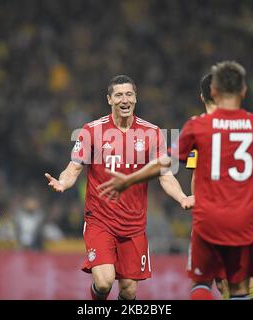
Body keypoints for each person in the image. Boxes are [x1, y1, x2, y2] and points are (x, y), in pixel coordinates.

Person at [98, 61, 253, 299]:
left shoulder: (198, 126)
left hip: (209, 217)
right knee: (241, 287)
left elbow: (166, 162)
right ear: (243, 91)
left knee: (202, 282)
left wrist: (129, 180)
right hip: (245, 219)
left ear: (213, 92)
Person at [45, 75, 192, 300]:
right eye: (119, 95)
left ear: (136, 98)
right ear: (109, 100)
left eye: (129, 94)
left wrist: (182, 197)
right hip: (100, 221)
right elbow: (74, 168)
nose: (125, 99)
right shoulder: (91, 131)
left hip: (134, 225)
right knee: (104, 283)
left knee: (129, 289)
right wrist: (63, 182)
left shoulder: (152, 133)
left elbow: (165, 175)